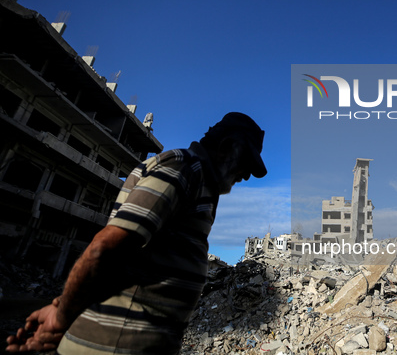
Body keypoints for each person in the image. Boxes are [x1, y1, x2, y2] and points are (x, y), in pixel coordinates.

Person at [5, 112, 267, 354]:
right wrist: (60, 317)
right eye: (246, 164)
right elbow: (104, 249)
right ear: (226, 147)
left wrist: (61, 307)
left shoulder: (201, 187)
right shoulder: (183, 169)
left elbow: (129, 262)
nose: (246, 176)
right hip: (117, 345)